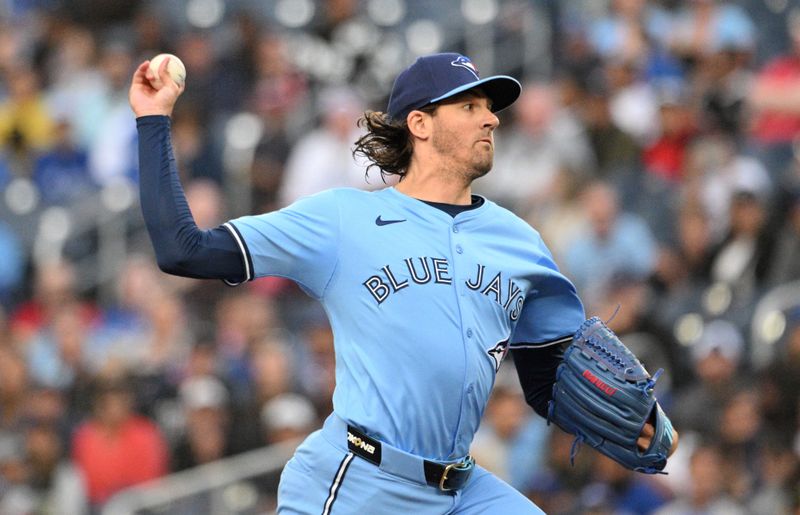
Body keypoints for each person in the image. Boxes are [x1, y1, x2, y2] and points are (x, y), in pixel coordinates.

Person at [129, 52, 677, 514]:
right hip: (361, 484)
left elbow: (548, 371)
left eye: (490, 108)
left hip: (462, 489)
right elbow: (184, 249)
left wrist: (630, 415)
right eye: (470, 106)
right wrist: (154, 120)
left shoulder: (519, 241)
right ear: (420, 124)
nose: (491, 119)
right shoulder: (342, 220)